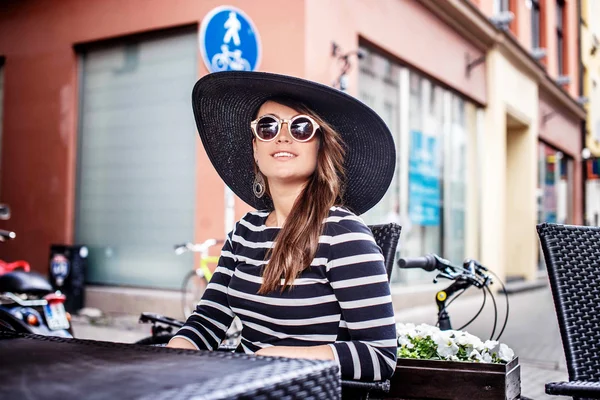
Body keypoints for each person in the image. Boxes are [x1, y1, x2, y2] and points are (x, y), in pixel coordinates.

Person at [168, 71, 398, 381]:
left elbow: (380, 357)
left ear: (320, 147)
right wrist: (170, 358)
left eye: (301, 127)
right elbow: (208, 321)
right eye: (268, 126)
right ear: (255, 148)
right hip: (242, 386)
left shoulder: (344, 234)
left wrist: (275, 359)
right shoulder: (244, 232)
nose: (282, 136)